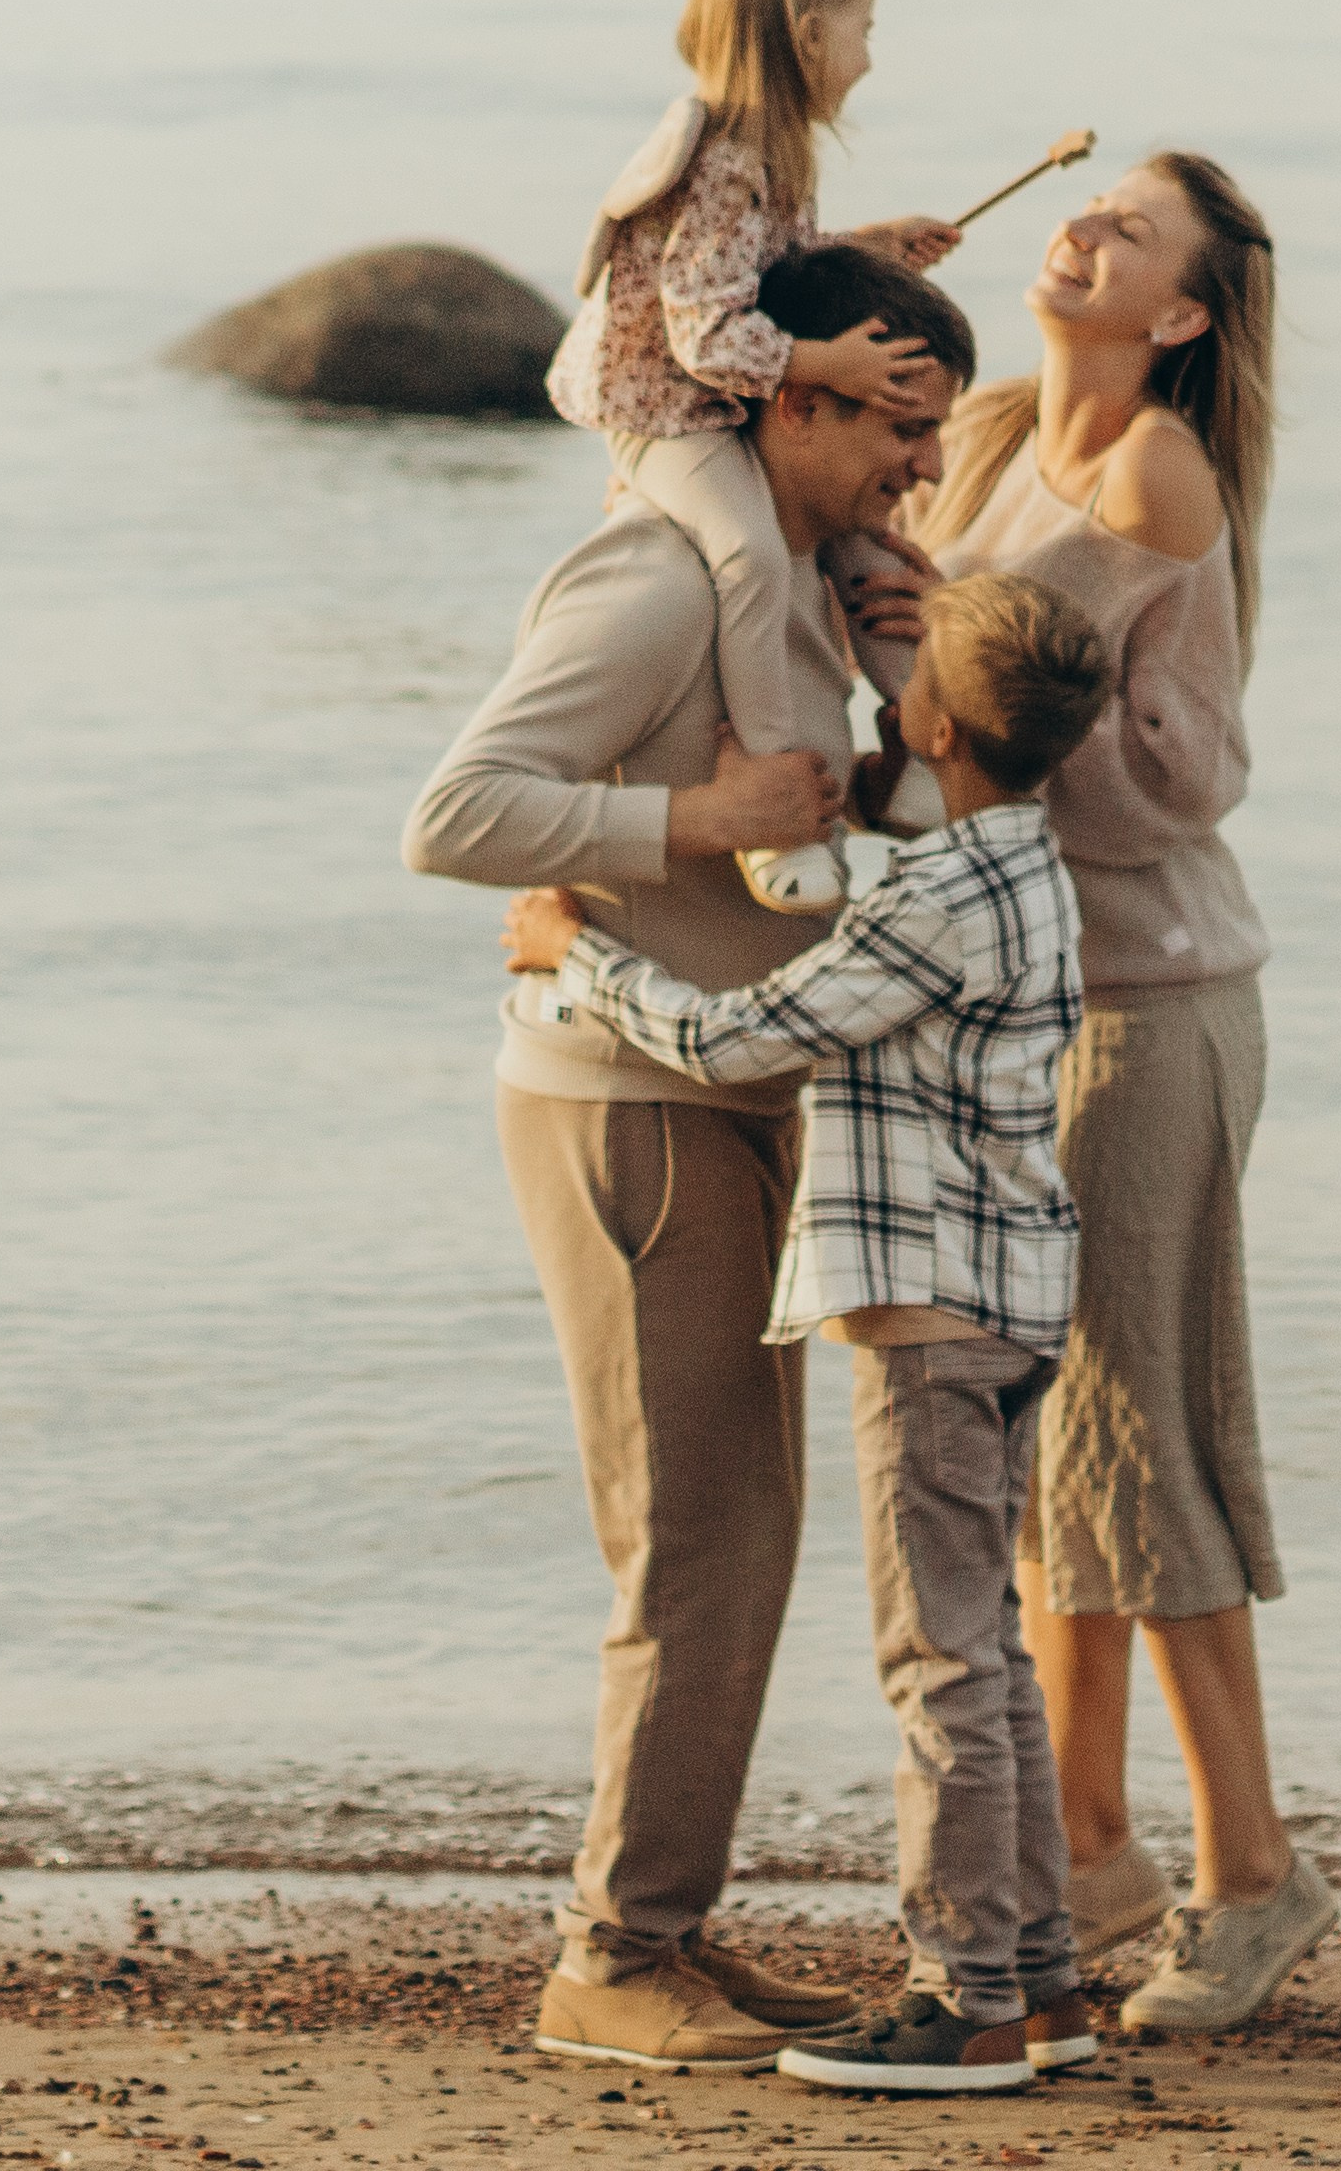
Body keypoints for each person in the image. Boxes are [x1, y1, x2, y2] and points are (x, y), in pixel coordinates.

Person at [402, 243, 976, 2074]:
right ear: (780, 396)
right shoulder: (659, 578)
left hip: (735, 1088)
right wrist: (691, 816)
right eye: (896, 422)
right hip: (621, 1102)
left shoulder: (801, 580)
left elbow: (847, 821)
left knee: (742, 1534)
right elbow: (459, 813)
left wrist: (914, 685)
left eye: (937, 431)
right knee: (694, 1541)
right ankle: (608, 1958)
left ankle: (663, 1930)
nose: (919, 464)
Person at [500, 571, 1113, 2099]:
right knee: (991, 1657)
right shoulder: (1020, 867)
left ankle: (960, 1993)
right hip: (1018, 1294)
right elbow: (847, 891)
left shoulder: (923, 901)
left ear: (936, 724)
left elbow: (735, 1036)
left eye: (897, 684)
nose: (877, 699)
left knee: (938, 1664)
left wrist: (569, 953)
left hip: (927, 1314)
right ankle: (1040, 1983)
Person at [844, 152, 1336, 2037]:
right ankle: (1090, 1834)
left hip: (1148, 1011)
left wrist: (957, 662)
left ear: (1184, 315)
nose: (1083, 233)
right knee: (1053, 1455)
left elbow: (1175, 783)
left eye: (1130, 234)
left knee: (1146, 1436)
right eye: (1088, 210)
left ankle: (1248, 1872)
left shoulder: (1154, 479)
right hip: (1019, 1007)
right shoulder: (977, 435)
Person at [545, 0, 960, 915]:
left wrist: (863, 248)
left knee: (870, 552)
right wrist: (831, 364)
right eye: (863, 30)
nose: (870, 56)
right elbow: (704, 333)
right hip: (666, 413)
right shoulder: (728, 158)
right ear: (810, 36)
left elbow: (770, 269)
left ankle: (916, 753)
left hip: (717, 392)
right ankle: (774, 792)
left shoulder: (775, 150)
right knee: (751, 557)